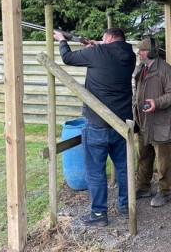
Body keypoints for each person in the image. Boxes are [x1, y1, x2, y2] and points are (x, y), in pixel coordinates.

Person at [53, 28, 136, 226]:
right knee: (124, 168)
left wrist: (62, 40)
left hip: (98, 122)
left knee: (95, 170)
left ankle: (99, 214)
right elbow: (109, 53)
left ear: (108, 38)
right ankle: (125, 206)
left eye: (102, 39)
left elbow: (67, 58)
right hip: (121, 123)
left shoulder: (98, 52)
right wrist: (96, 46)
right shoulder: (130, 55)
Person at [134, 37, 171, 207]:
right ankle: (143, 187)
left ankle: (165, 192)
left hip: (160, 122)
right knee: (143, 156)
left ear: (152, 52)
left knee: (163, 160)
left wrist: (156, 103)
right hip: (143, 121)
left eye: (142, 50)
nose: (139, 52)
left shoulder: (165, 70)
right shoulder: (141, 68)